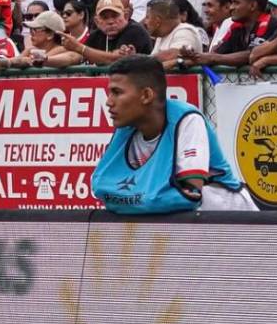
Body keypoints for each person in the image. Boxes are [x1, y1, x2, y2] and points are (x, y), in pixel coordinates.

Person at [91, 55, 257, 213]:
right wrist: (151, 197)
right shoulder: (126, 127)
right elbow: (100, 186)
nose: (109, 101)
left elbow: (190, 195)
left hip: (232, 222)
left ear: (146, 95)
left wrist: (127, 198)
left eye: (117, 92)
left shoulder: (187, 119)